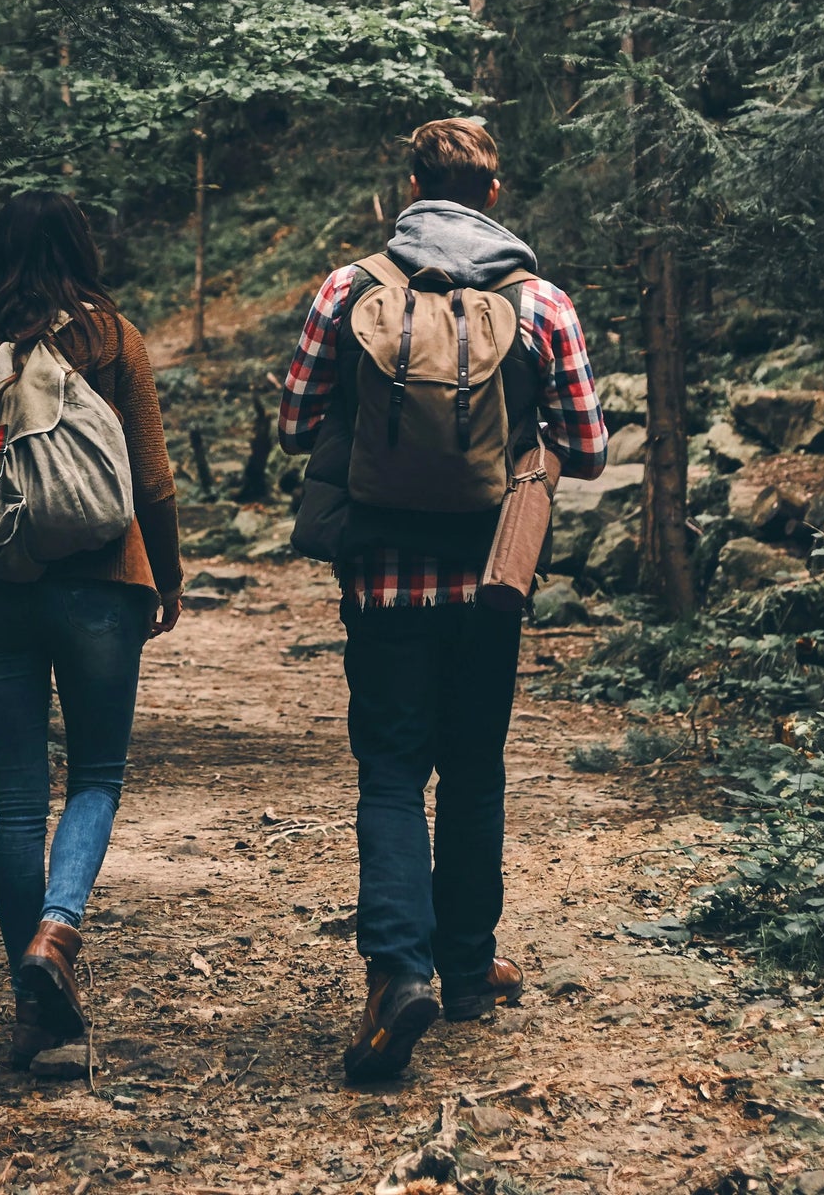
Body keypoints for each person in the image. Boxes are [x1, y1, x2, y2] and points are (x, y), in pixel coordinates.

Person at [278, 119, 609, 1083]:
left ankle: (398, 971)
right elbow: (588, 451)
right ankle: (464, 973)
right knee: (473, 770)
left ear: (410, 187)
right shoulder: (539, 301)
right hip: (489, 585)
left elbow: (298, 424)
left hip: (380, 578)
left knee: (389, 771)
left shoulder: (349, 290)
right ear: (496, 195)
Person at [0, 191, 185, 1069]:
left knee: (15, 801)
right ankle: (57, 935)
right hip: (102, 588)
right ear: (81, 246)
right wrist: (169, 574)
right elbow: (149, 479)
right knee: (96, 778)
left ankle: (35, 1019)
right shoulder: (110, 336)